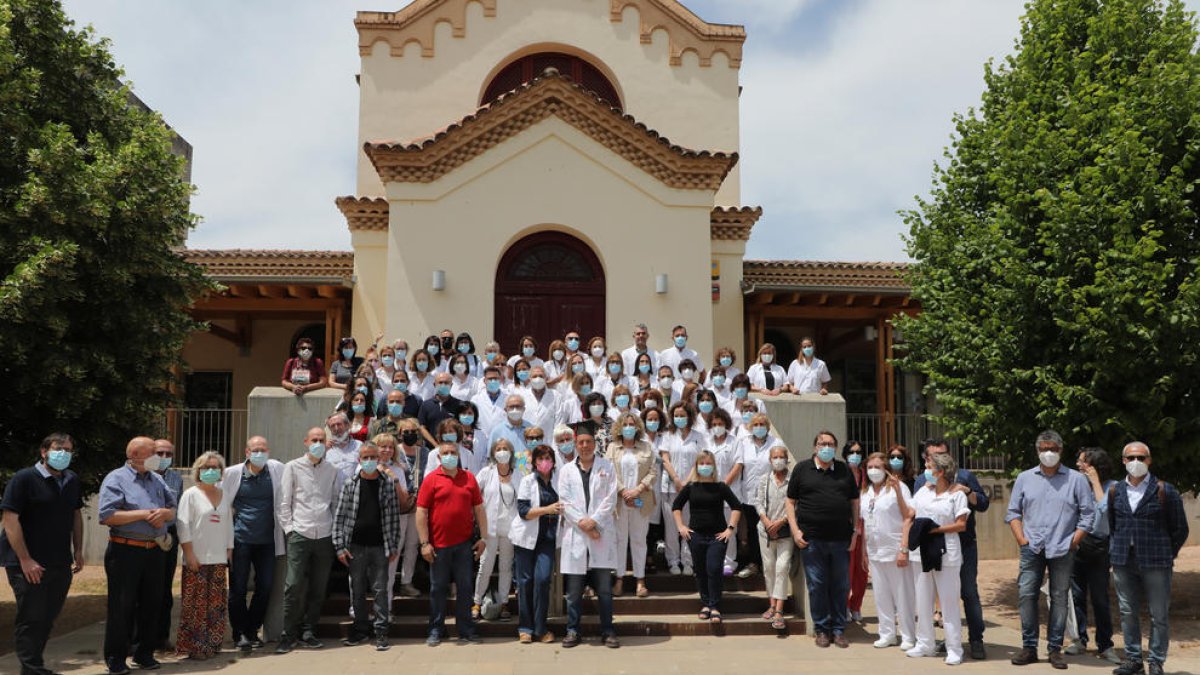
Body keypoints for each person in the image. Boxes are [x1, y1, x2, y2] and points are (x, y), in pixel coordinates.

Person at [1006, 430, 1095, 669]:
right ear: (1037, 451)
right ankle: (1029, 647)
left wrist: (1074, 541)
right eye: (1044, 449)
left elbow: (1088, 514)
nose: (1048, 453)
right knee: (1026, 595)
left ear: (1061, 450)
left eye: (1053, 449)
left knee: (1059, 597)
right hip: (1031, 547)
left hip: (1063, 548)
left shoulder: (1076, 479)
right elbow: (1013, 512)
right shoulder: (1025, 478)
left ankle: (1055, 648)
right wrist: (1021, 539)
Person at [0, 433, 84, 675]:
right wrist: (25, 560)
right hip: (26, 563)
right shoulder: (24, 478)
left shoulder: (71, 479)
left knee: (47, 618)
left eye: (69, 450)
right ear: (44, 451)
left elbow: (76, 515)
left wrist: (78, 549)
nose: (64, 454)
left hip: (59, 560)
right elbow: (10, 520)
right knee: (31, 617)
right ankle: (31, 669)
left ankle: (35, 666)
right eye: (59, 448)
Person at [97, 437, 178, 674]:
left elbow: (173, 510)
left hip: (154, 550)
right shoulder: (116, 479)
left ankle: (144, 653)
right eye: (152, 452)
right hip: (125, 550)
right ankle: (116, 658)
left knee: (152, 603)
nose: (158, 457)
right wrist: (143, 514)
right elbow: (108, 515)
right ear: (134, 454)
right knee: (122, 607)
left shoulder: (157, 479)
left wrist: (165, 513)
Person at [1109, 442, 1190, 675]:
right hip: (1124, 561)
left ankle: (1156, 661)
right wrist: (1117, 550)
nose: (1136, 462)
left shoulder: (1165, 490)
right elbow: (1113, 526)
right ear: (1123, 460)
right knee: (1127, 611)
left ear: (1149, 461)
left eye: (1141, 458)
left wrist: (1167, 553)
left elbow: (1180, 529)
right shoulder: (1116, 491)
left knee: (1159, 614)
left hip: (1157, 562)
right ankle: (1134, 660)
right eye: (1131, 457)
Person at [914, 439, 990, 659]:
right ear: (926, 458)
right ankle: (941, 641)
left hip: (963, 545)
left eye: (944, 454)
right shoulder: (922, 481)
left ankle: (976, 640)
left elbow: (983, 504)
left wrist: (966, 491)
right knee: (934, 596)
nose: (939, 459)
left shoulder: (965, 477)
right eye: (933, 457)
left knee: (967, 592)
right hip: (933, 548)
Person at [785, 430, 859, 649]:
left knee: (841, 585)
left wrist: (855, 532)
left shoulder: (844, 470)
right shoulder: (801, 469)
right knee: (817, 585)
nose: (826, 447)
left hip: (841, 539)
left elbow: (854, 502)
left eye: (830, 444)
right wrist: (796, 531)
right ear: (815, 447)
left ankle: (838, 630)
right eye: (821, 443)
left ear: (836, 447)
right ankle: (822, 629)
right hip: (812, 540)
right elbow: (790, 502)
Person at [275, 428, 341, 654]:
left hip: (324, 534)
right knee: (292, 585)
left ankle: (309, 631)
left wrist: (333, 530)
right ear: (306, 442)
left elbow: (335, 501)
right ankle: (288, 634)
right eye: (314, 440)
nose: (318, 443)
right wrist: (290, 530)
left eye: (322, 440)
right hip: (300, 534)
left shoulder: (332, 469)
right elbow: (284, 502)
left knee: (318, 587)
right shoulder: (292, 467)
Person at [416, 442, 488, 646]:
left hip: (465, 545)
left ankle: (466, 629)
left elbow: (479, 509)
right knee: (438, 589)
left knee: (465, 588)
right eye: (445, 453)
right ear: (439, 458)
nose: (449, 456)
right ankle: (436, 630)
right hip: (438, 546)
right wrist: (424, 543)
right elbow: (421, 512)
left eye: (453, 453)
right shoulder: (431, 480)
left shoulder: (469, 478)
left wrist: (484, 538)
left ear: (459, 455)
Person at [333, 441, 400, 652]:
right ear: (359, 460)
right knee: (357, 589)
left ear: (378, 459)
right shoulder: (350, 484)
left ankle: (381, 631)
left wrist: (394, 545)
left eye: (373, 457)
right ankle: (361, 629)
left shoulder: (387, 483)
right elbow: (340, 516)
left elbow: (394, 517)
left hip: (380, 546)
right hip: (355, 546)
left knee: (380, 589)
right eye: (365, 458)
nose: (369, 461)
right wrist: (339, 546)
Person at [221, 436, 285, 653]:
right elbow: (221, 503)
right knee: (237, 589)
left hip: (267, 541)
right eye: (255, 450)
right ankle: (239, 633)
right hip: (240, 541)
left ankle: (252, 630)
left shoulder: (276, 470)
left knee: (265, 587)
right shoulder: (232, 473)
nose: (260, 453)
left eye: (263, 449)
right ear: (247, 452)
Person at [559, 422, 620, 649]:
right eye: (581, 442)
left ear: (595, 444)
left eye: (588, 442)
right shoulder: (566, 471)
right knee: (574, 591)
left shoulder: (607, 467)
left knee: (604, 588)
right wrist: (585, 525)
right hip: (577, 534)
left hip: (600, 534)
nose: (585, 446)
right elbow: (564, 501)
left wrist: (594, 522)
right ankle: (572, 630)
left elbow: (611, 498)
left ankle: (608, 630)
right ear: (575, 445)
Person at [908, 452, 969, 665]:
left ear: (941, 471)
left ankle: (954, 648)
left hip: (947, 552)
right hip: (921, 552)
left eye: (929, 465)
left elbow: (962, 524)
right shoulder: (923, 491)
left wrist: (936, 530)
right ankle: (925, 643)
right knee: (922, 599)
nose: (925, 468)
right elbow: (910, 514)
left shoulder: (956, 494)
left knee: (949, 602)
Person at [174, 452, 233, 661]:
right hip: (196, 558)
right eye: (206, 467)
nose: (211, 470)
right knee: (196, 604)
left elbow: (229, 525)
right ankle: (196, 647)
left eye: (215, 467)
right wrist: (189, 553)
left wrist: (229, 549)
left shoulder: (224, 494)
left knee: (216, 604)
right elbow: (183, 525)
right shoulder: (190, 494)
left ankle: (213, 644)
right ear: (198, 470)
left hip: (218, 558)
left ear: (221, 472)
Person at [672, 450, 742, 624]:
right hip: (696, 536)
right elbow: (676, 506)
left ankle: (715, 606)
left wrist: (730, 529)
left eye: (708, 463)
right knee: (701, 570)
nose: (705, 466)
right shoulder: (691, 487)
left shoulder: (721, 487)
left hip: (717, 537)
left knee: (713, 568)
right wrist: (681, 526)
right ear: (696, 466)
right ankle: (705, 603)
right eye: (701, 464)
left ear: (714, 466)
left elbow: (736, 506)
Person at [1065, 447, 1119, 663]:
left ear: (1094, 465)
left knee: (1100, 598)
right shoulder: (1075, 484)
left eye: (1082, 462)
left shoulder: (1113, 487)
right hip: (1077, 545)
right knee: (1076, 596)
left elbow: (1105, 510)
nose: (1078, 465)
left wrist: (1096, 482)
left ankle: (1105, 645)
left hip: (1099, 546)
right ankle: (1079, 640)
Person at [859, 452, 916, 650]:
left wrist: (904, 548)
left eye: (878, 467)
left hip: (895, 548)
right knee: (881, 595)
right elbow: (865, 523)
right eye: (870, 467)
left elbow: (908, 516)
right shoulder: (865, 493)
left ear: (886, 470)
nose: (874, 471)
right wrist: (864, 553)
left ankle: (908, 635)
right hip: (874, 550)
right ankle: (887, 633)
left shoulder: (898, 489)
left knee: (903, 595)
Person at [513, 444, 562, 643]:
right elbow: (524, 512)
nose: (544, 463)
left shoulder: (559, 480)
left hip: (547, 539)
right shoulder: (527, 481)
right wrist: (548, 509)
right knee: (525, 582)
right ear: (534, 462)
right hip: (525, 538)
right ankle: (525, 627)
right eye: (540, 459)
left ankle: (541, 628)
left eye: (548, 458)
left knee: (542, 580)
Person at [472, 439, 520, 622]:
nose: (502, 452)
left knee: (506, 567)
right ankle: (476, 602)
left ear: (511, 452)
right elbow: (473, 493)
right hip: (489, 528)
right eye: (498, 449)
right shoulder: (486, 472)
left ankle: (504, 602)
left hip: (510, 529)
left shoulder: (517, 474)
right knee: (485, 565)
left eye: (505, 448)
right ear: (493, 453)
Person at [608, 412, 656, 598]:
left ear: (637, 428)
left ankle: (640, 580)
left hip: (640, 500)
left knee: (638, 540)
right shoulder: (612, 448)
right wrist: (622, 491)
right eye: (625, 424)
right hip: (619, 502)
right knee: (619, 541)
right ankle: (619, 579)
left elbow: (653, 472)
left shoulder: (646, 447)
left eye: (632, 424)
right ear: (620, 427)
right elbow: (608, 472)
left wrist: (637, 490)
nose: (629, 427)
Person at [730, 412, 783, 579]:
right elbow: (739, 466)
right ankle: (754, 563)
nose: (759, 428)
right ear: (750, 427)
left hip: (769, 494)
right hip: (748, 494)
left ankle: (769, 564)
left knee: (770, 529)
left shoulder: (776, 443)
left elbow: (780, 465)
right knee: (753, 530)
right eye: (756, 425)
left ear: (767, 427)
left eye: (762, 425)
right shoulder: (743, 443)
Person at [147, 439, 183, 654]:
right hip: (144, 536)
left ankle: (161, 637)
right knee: (142, 590)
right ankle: (138, 640)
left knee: (164, 590)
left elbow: (177, 508)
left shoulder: (176, 478)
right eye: (159, 453)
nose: (164, 457)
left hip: (169, 536)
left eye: (168, 453)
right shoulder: (141, 476)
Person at [659, 402, 703, 575]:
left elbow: (700, 460)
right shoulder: (668, 435)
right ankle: (673, 561)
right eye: (676, 415)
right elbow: (665, 459)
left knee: (688, 525)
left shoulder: (698, 436)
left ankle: (688, 561)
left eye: (682, 415)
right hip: (670, 487)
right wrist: (677, 479)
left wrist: (686, 481)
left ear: (690, 416)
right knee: (671, 526)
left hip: (692, 487)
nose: (679, 418)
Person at [754, 445, 794, 631]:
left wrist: (782, 521)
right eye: (775, 457)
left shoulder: (793, 480)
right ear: (770, 460)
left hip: (786, 531)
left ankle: (779, 611)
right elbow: (758, 502)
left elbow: (797, 504)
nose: (778, 460)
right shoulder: (764, 480)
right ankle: (771, 603)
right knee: (769, 568)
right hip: (765, 531)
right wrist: (767, 522)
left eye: (781, 457)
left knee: (782, 567)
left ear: (787, 459)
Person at [706, 409, 740, 576]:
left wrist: (723, 486)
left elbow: (738, 465)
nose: (717, 427)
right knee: (712, 529)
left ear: (726, 424)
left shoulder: (735, 442)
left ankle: (729, 562)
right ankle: (714, 561)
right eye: (714, 424)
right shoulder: (707, 441)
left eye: (720, 424)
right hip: (709, 492)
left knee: (729, 529)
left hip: (729, 491)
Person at [843, 441, 868, 622]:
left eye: (859, 452)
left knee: (862, 569)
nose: (855, 455)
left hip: (866, 527)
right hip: (846, 527)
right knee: (847, 570)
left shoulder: (867, 474)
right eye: (852, 452)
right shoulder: (840, 474)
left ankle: (855, 605)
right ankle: (843, 605)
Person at [417, 372, 462, 448]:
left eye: (446, 382)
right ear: (434, 385)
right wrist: (436, 445)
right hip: (431, 449)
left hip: (453, 449)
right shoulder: (426, 405)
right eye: (440, 382)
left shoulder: (459, 405)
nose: (443, 385)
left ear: (451, 385)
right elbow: (422, 427)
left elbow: (462, 427)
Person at [472, 366, 510, 439]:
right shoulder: (476, 399)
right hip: (482, 438)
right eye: (490, 379)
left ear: (500, 380)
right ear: (484, 381)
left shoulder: (508, 398)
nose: (493, 381)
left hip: (503, 438)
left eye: (496, 378)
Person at [324, 412, 363, 483]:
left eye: (339, 424)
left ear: (347, 425)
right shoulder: (325, 449)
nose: (336, 428)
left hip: (353, 492)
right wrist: (323, 450)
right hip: (333, 493)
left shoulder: (359, 445)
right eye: (332, 426)